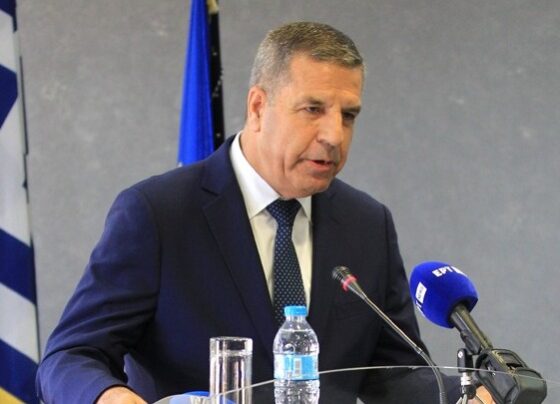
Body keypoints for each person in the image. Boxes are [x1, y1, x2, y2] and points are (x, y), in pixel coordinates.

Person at [36, 21, 492, 404]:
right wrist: (112, 398)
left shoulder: (367, 224)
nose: (334, 135)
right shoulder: (159, 214)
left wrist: (467, 395)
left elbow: (393, 374)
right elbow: (70, 357)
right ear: (258, 107)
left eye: (348, 116)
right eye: (313, 109)